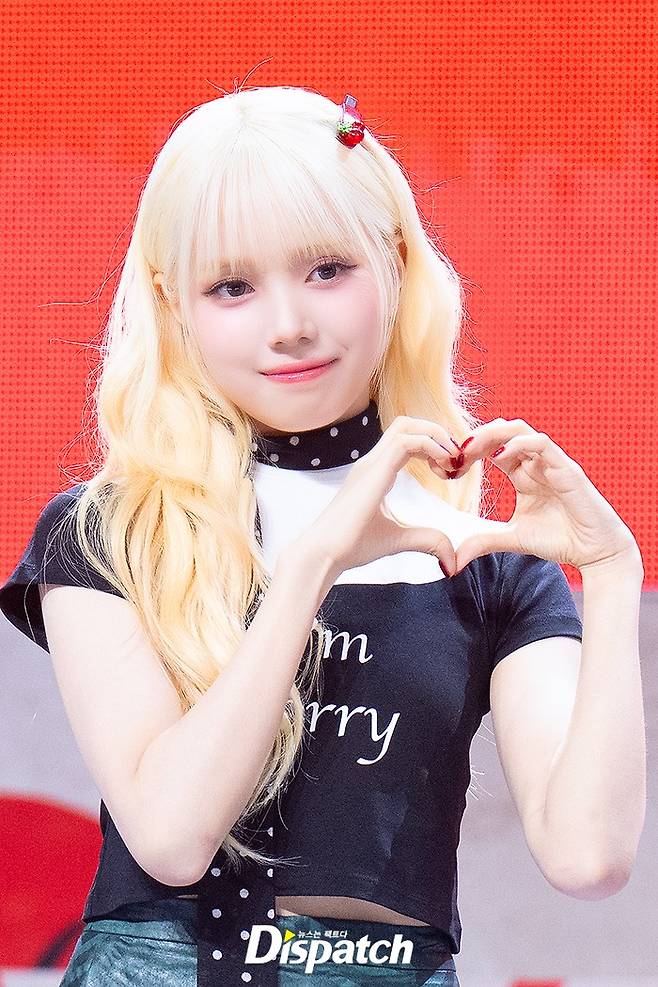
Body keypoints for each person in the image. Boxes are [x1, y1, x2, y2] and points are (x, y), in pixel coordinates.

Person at [0, 84, 645, 987]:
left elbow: (589, 858)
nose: (290, 325)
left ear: (396, 263)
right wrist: (312, 565)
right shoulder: (112, 531)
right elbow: (172, 836)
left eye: (328, 270)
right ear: (174, 302)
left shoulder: (480, 556)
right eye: (232, 286)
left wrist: (611, 573)